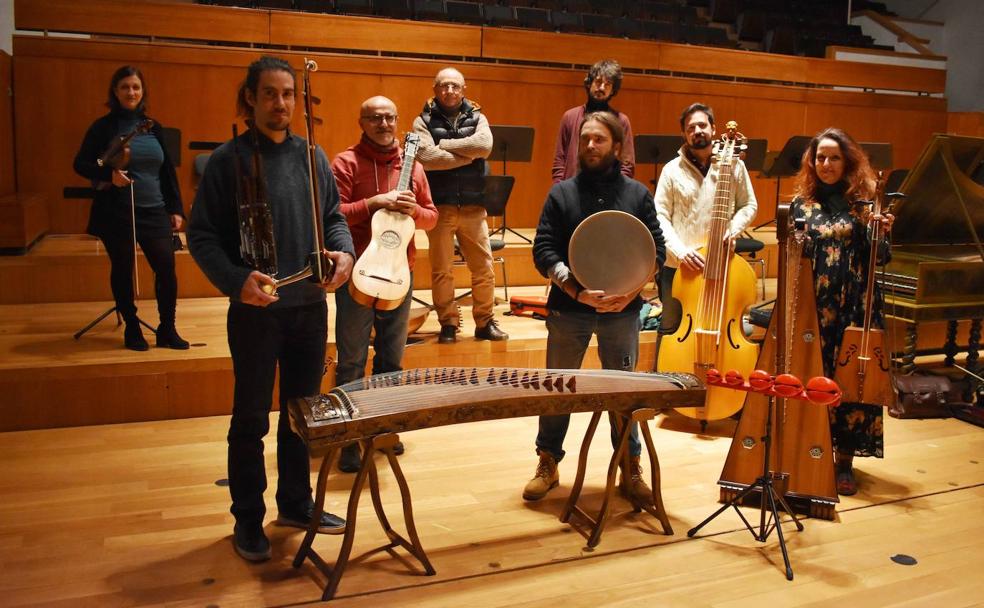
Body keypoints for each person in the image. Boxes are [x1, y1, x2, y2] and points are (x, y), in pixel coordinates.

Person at [187, 56, 355, 562]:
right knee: (252, 418)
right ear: (250, 99)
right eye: (269, 94)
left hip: (308, 307)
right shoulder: (227, 161)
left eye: (288, 94)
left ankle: (296, 503)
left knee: (301, 415)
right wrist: (237, 282)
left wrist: (342, 252)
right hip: (256, 312)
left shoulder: (313, 158)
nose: (280, 103)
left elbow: (333, 219)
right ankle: (247, 519)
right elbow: (201, 237)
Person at [524, 112, 666, 504]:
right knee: (558, 387)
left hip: (623, 310)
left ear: (616, 147)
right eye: (584, 139)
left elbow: (657, 251)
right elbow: (544, 251)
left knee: (624, 391)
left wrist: (633, 288)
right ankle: (548, 461)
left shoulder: (637, 195)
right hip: (569, 309)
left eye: (599, 140)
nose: (589, 146)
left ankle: (628, 466)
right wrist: (574, 290)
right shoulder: (561, 194)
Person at [331, 96, 438, 473]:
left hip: (399, 275)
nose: (383, 123)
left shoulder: (414, 168)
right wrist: (374, 202)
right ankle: (346, 437)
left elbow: (431, 218)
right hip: (357, 273)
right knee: (352, 362)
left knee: (391, 361)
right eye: (375, 118)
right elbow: (332, 213)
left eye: (390, 117)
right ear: (361, 122)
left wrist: (415, 211)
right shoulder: (345, 163)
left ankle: (382, 429)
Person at [792, 127, 894, 496]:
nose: (826, 164)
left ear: (847, 161)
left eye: (834, 157)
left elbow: (880, 257)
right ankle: (807, 447)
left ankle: (844, 461)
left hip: (854, 306)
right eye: (820, 157)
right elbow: (794, 256)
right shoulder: (801, 205)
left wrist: (881, 233)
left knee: (851, 379)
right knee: (812, 375)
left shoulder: (865, 204)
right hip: (814, 309)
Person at [73, 65, 187, 351]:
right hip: (117, 212)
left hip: (155, 210)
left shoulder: (153, 127)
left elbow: (167, 173)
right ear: (115, 91)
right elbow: (83, 164)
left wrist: (175, 208)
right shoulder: (103, 128)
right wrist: (108, 175)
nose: (131, 92)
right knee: (123, 269)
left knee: (166, 268)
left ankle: (167, 328)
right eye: (125, 87)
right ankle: (132, 327)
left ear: (142, 91)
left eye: (135, 87)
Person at [412, 67, 507, 344]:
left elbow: (484, 146)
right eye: (443, 86)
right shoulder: (422, 121)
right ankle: (448, 324)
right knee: (441, 270)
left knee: (484, 268)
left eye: (455, 86)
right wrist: (468, 156)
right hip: (439, 207)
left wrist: (445, 145)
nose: (449, 91)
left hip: (473, 206)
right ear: (435, 89)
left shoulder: (479, 116)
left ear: (463, 89)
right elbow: (427, 158)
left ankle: (484, 322)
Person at [653, 103, 757, 334]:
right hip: (678, 265)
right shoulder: (671, 170)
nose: (697, 130)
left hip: (719, 262)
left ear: (713, 128)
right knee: (671, 328)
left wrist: (732, 229)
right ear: (684, 134)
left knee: (718, 325)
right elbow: (659, 216)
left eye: (702, 125)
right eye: (691, 127)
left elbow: (749, 205)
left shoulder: (735, 165)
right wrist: (680, 252)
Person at [552, 58, 635, 183]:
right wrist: (561, 191)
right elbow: (559, 161)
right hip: (572, 193)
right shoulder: (569, 117)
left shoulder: (621, 121)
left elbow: (627, 165)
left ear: (612, 90)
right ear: (589, 83)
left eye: (607, 84)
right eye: (598, 82)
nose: (601, 87)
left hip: (609, 195)